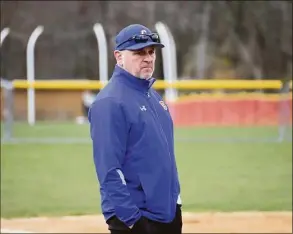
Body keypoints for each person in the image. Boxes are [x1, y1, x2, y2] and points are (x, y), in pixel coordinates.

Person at [88, 24, 182, 234]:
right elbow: (108, 169)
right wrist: (132, 220)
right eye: (139, 52)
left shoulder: (153, 96)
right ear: (119, 56)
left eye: (151, 52)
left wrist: (176, 201)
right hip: (137, 218)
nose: (148, 58)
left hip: (166, 213)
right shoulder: (110, 102)